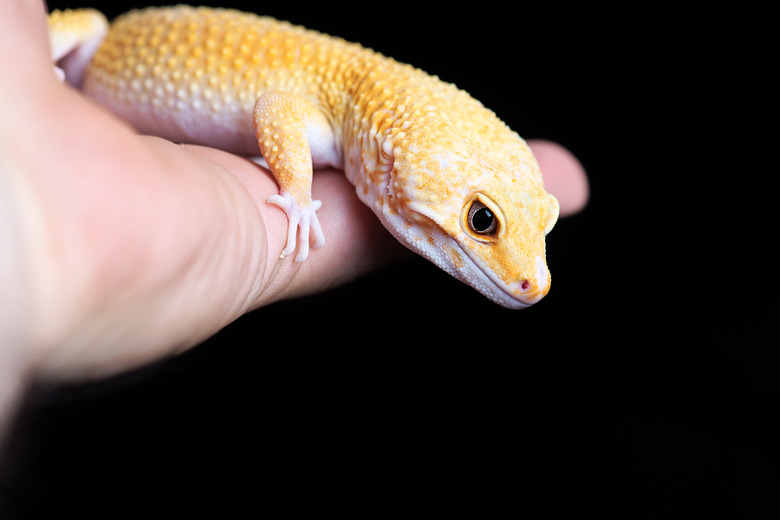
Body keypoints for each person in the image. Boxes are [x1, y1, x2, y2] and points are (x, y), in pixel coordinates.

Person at [0, 0, 588, 436]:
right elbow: (276, 108)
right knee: (89, 27)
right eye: (482, 222)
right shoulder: (340, 110)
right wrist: (298, 191)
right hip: (93, 58)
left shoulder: (370, 115)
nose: (532, 277)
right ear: (390, 155)